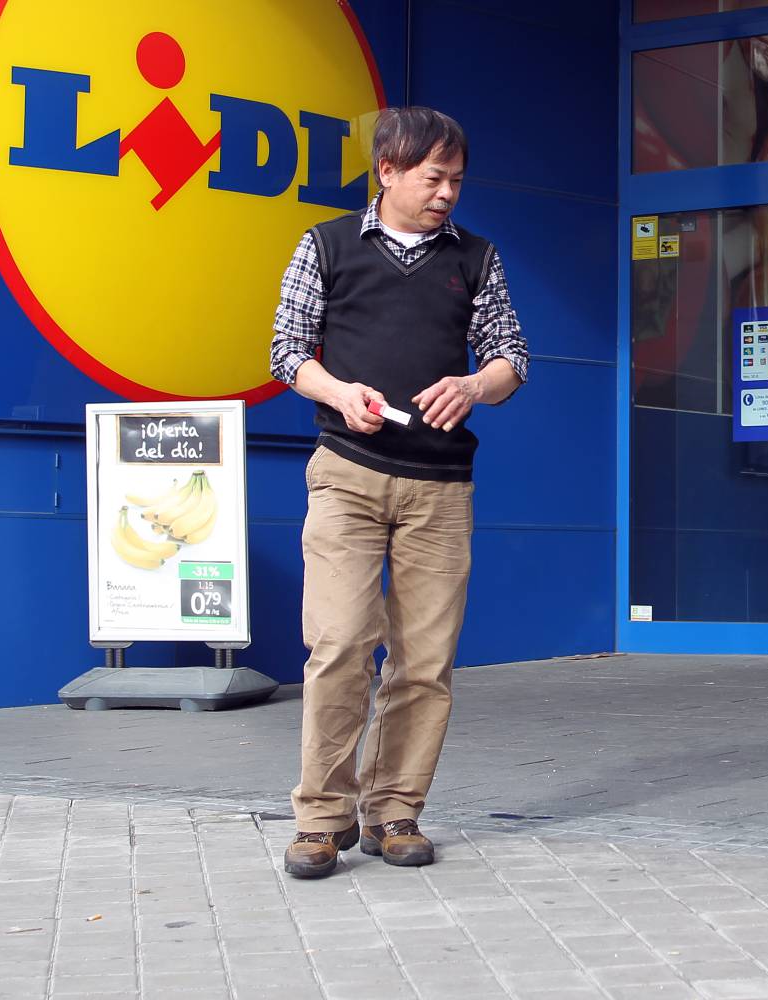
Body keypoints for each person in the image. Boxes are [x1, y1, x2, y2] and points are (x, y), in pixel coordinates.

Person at [267, 107, 527, 878]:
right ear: (388, 171)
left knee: (424, 662)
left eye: (456, 180)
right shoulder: (327, 246)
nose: (447, 193)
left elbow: (512, 354)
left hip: (441, 487)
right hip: (346, 471)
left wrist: (477, 384)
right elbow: (286, 351)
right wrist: (340, 391)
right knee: (341, 643)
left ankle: (395, 812)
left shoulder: (477, 257)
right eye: (433, 178)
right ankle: (320, 818)